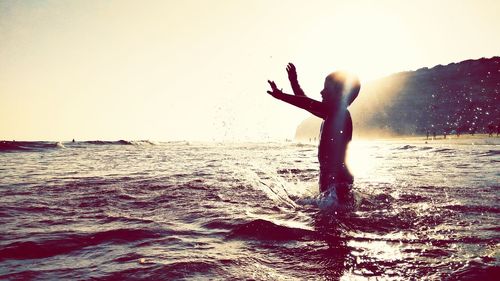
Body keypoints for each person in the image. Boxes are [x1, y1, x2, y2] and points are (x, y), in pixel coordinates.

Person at [266, 63, 360, 198]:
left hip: (339, 180)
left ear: (341, 94)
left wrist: (282, 96)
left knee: (335, 212)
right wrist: (294, 82)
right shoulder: (331, 114)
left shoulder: (338, 113)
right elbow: (306, 103)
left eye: (327, 89)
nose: (321, 92)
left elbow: (306, 103)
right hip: (332, 179)